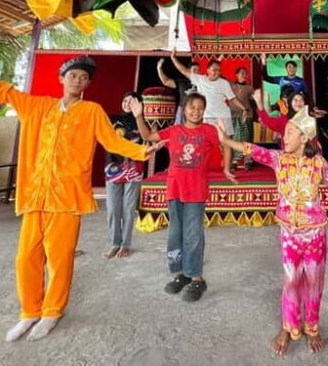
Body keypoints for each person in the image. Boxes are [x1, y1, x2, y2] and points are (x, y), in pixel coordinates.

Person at [0, 46, 164, 341]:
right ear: (62, 78)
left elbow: (112, 142)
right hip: (36, 196)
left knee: (59, 258)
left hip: (67, 198)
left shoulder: (91, 111)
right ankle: (30, 311)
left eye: (84, 77)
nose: (78, 80)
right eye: (73, 75)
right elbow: (1, 91)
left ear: (88, 84)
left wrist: (141, 151)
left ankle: (52, 311)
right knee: (26, 257)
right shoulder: (37, 106)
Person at [216, 109, 328, 355]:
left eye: (290, 132)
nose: (284, 136)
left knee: (313, 282)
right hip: (289, 233)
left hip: (314, 234)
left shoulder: (318, 163)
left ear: (304, 138)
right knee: (291, 280)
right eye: (284, 131)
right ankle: (289, 327)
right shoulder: (278, 159)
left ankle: (312, 328)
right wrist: (226, 140)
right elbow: (252, 150)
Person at [142, 93, 222, 302]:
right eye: (192, 107)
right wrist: (138, 115)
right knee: (175, 233)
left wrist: (228, 168)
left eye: (200, 108)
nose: (196, 111)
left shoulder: (208, 131)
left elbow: (226, 144)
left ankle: (197, 278)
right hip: (175, 189)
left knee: (193, 234)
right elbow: (149, 137)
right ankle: (181, 274)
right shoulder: (174, 131)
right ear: (184, 109)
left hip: (196, 190)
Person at [170, 50, 249, 173]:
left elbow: (232, 99)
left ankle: (227, 169)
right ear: (207, 70)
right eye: (214, 70)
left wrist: (244, 108)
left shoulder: (224, 83)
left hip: (223, 117)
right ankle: (199, 167)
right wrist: (173, 58)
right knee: (202, 143)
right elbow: (184, 71)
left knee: (227, 143)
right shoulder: (200, 79)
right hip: (207, 117)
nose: (216, 72)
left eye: (219, 70)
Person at [103, 92, 153, 260]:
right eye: (125, 100)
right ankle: (114, 243)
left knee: (128, 209)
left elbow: (147, 140)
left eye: (131, 101)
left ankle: (125, 244)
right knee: (112, 209)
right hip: (113, 168)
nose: (126, 103)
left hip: (133, 168)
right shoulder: (111, 118)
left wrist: (140, 117)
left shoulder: (141, 122)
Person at [157, 57, 199, 125]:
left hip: (196, 111)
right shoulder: (182, 82)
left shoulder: (202, 83)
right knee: (178, 130)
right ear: (188, 70)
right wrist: (159, 68)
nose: (196, 72)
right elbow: (166, 81)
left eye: (198, 70)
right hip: (182, 109)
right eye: (194, 69)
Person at [230, 67, 255, 169]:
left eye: (245, 74)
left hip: (247, 115)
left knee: (247, 137)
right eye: (241, 73)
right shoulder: (231, 85)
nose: (244, 75)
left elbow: (254, 102)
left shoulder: (249, 88)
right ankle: (235, 160)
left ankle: (248, 159)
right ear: (236, 75)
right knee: (236, 137)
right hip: (234, 115)